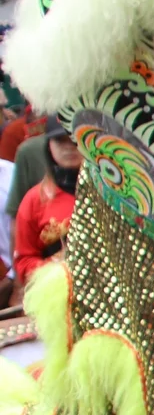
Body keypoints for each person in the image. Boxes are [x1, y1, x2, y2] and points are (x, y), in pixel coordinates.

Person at [11, 119, 78, 299]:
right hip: (58, 300)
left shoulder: (112, 194)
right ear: (49, 146)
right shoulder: (35, 200)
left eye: (73, 139)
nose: (68, 147)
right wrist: (59, 270)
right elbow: (24, 261)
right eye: (59, 141)